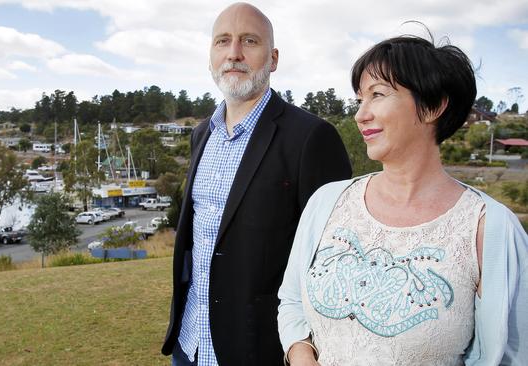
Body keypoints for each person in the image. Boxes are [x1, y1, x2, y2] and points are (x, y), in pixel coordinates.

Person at [278, 34, 528, 365]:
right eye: (359, 101)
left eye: (377, 95)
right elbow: (292, 300)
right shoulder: (327, 202)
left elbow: (512, 354)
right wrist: (301, 354)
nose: (360, 115)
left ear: (434, 105)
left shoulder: (490, 229)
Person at [161, 2, 352, 365]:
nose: (234, 53)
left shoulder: (312, 137)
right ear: (210, 55)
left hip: (259, 349)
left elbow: (333, 258)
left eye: (249, 41)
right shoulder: (202, 134)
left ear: (273, 58)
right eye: (222, 42)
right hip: (189, 343)